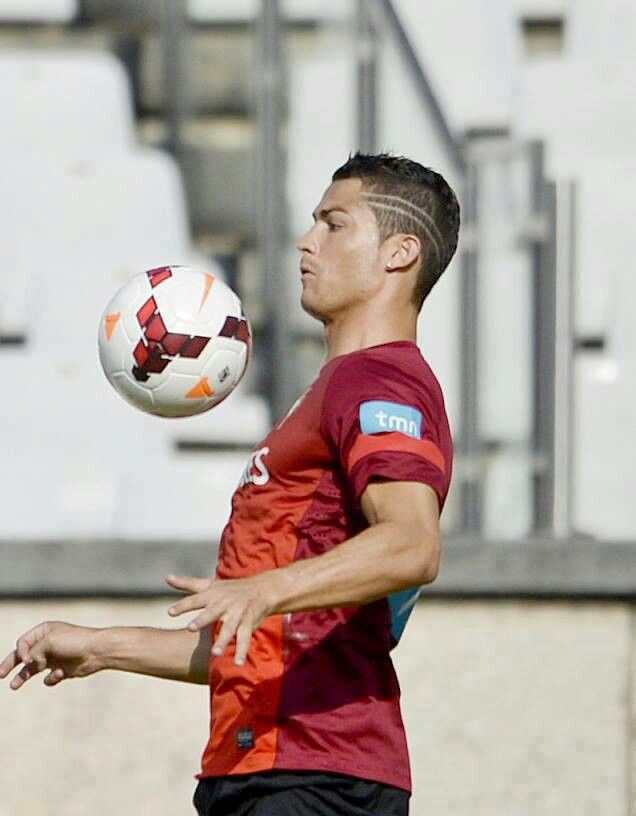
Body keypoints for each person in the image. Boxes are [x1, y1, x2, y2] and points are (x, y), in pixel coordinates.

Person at [0, 152, 460, 816]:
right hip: (264, 769)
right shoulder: (333, 391)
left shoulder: (378, 382)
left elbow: (414, 545)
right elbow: (263, 641)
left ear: (400, 253)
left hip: (311, 773)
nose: (307, 241)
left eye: (334, 224)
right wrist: (102, 647)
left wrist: (264, 589)